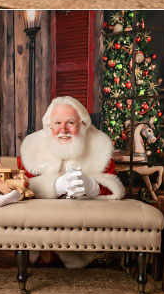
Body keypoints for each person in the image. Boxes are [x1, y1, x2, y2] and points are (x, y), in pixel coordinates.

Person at [19, 96, 125, 268]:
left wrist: (93, 187)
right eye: (57, 123)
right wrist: (54, 186)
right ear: (49, 126)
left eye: (70, 123)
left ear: (82, 124)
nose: (63, 129)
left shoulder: (99, 146)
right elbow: (21, 185)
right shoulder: (33, 148)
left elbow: (114, 186)